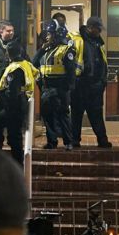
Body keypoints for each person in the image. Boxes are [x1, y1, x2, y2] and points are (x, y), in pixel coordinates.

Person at [0, 39, 39, 159]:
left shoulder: (14, 68)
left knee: (6, 131)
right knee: (13, 134)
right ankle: (15, 162)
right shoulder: (26, 64)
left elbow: (12, 91)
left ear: (7, 53)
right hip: (22, 102)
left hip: (14, 105)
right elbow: (36, 75)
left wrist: (2, 102)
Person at [36, 19, 79, 150]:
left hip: (60, 87)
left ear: (57, 34)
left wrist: (67, 88)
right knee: (48, 116)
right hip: (46, 87)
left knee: (63, 115)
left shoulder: (67, 49)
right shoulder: (47, 49)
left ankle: (68, 142)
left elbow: (71, 71)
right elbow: (34, 62)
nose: (47, 36)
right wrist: (41, 49)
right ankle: (51, 142)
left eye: (50, 33)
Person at [71, 16, 112, 149]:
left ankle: (102, 140)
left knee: (96, 114)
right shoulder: (78, 40)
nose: (100, 31)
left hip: (95, 85)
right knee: (76, 114)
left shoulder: (98, 42)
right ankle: (74, 140)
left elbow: (102, 63)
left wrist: (102, 82)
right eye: (98, 29)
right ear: (90, 27)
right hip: (80, 84)